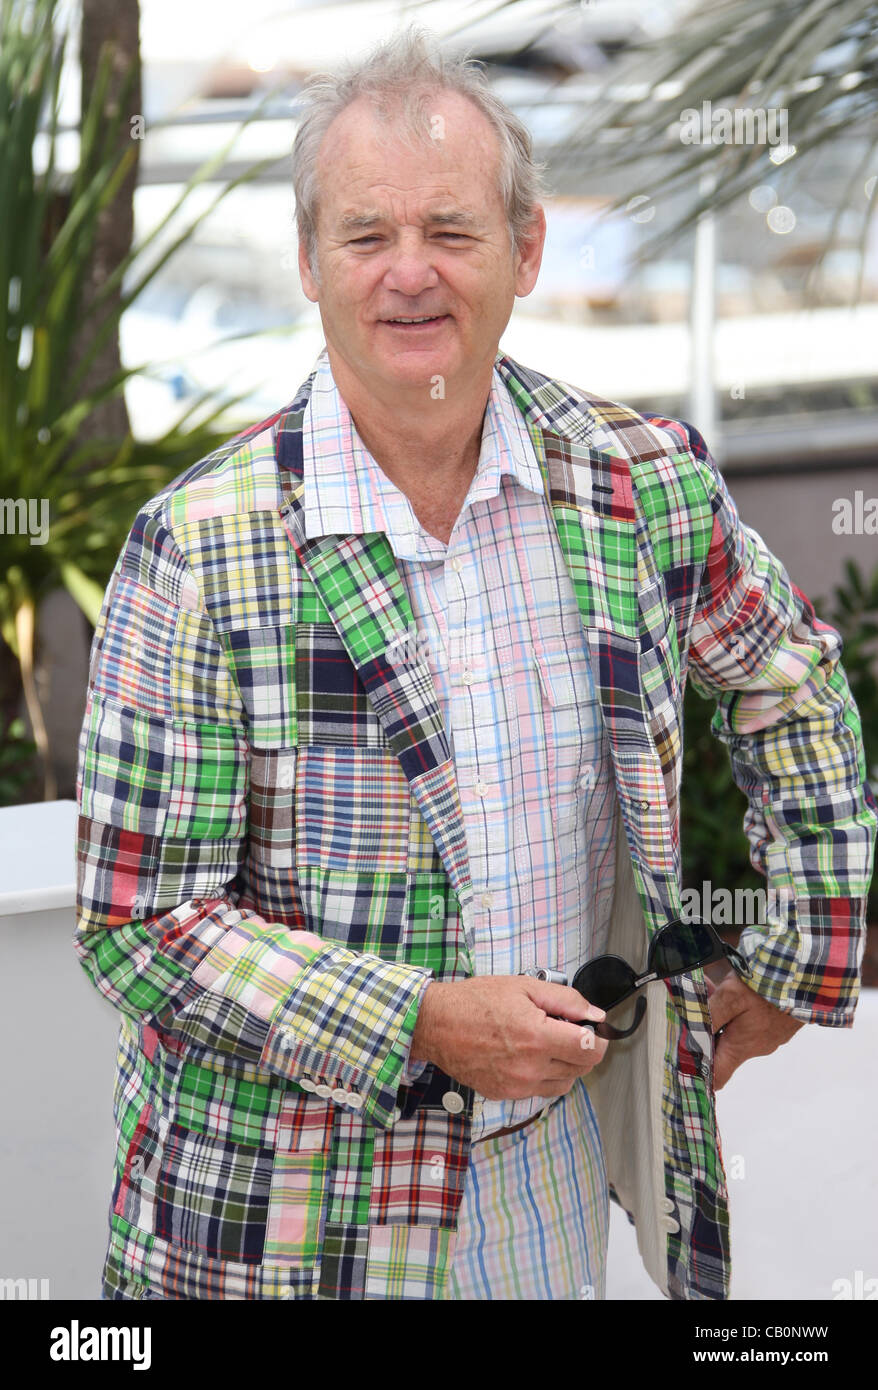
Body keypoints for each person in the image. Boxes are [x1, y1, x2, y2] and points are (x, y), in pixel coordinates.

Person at [74, 26, 876, 1302]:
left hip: (545, 1185)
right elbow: (139, 926)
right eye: (364, 236)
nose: (409, 275)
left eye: (450, 231)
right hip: (281, 1225)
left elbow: (788, 685)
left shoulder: (637, 481)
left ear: (525, 249)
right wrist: (420, 1023)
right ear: (306, 261)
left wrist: (798, 960)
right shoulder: (200, 546)